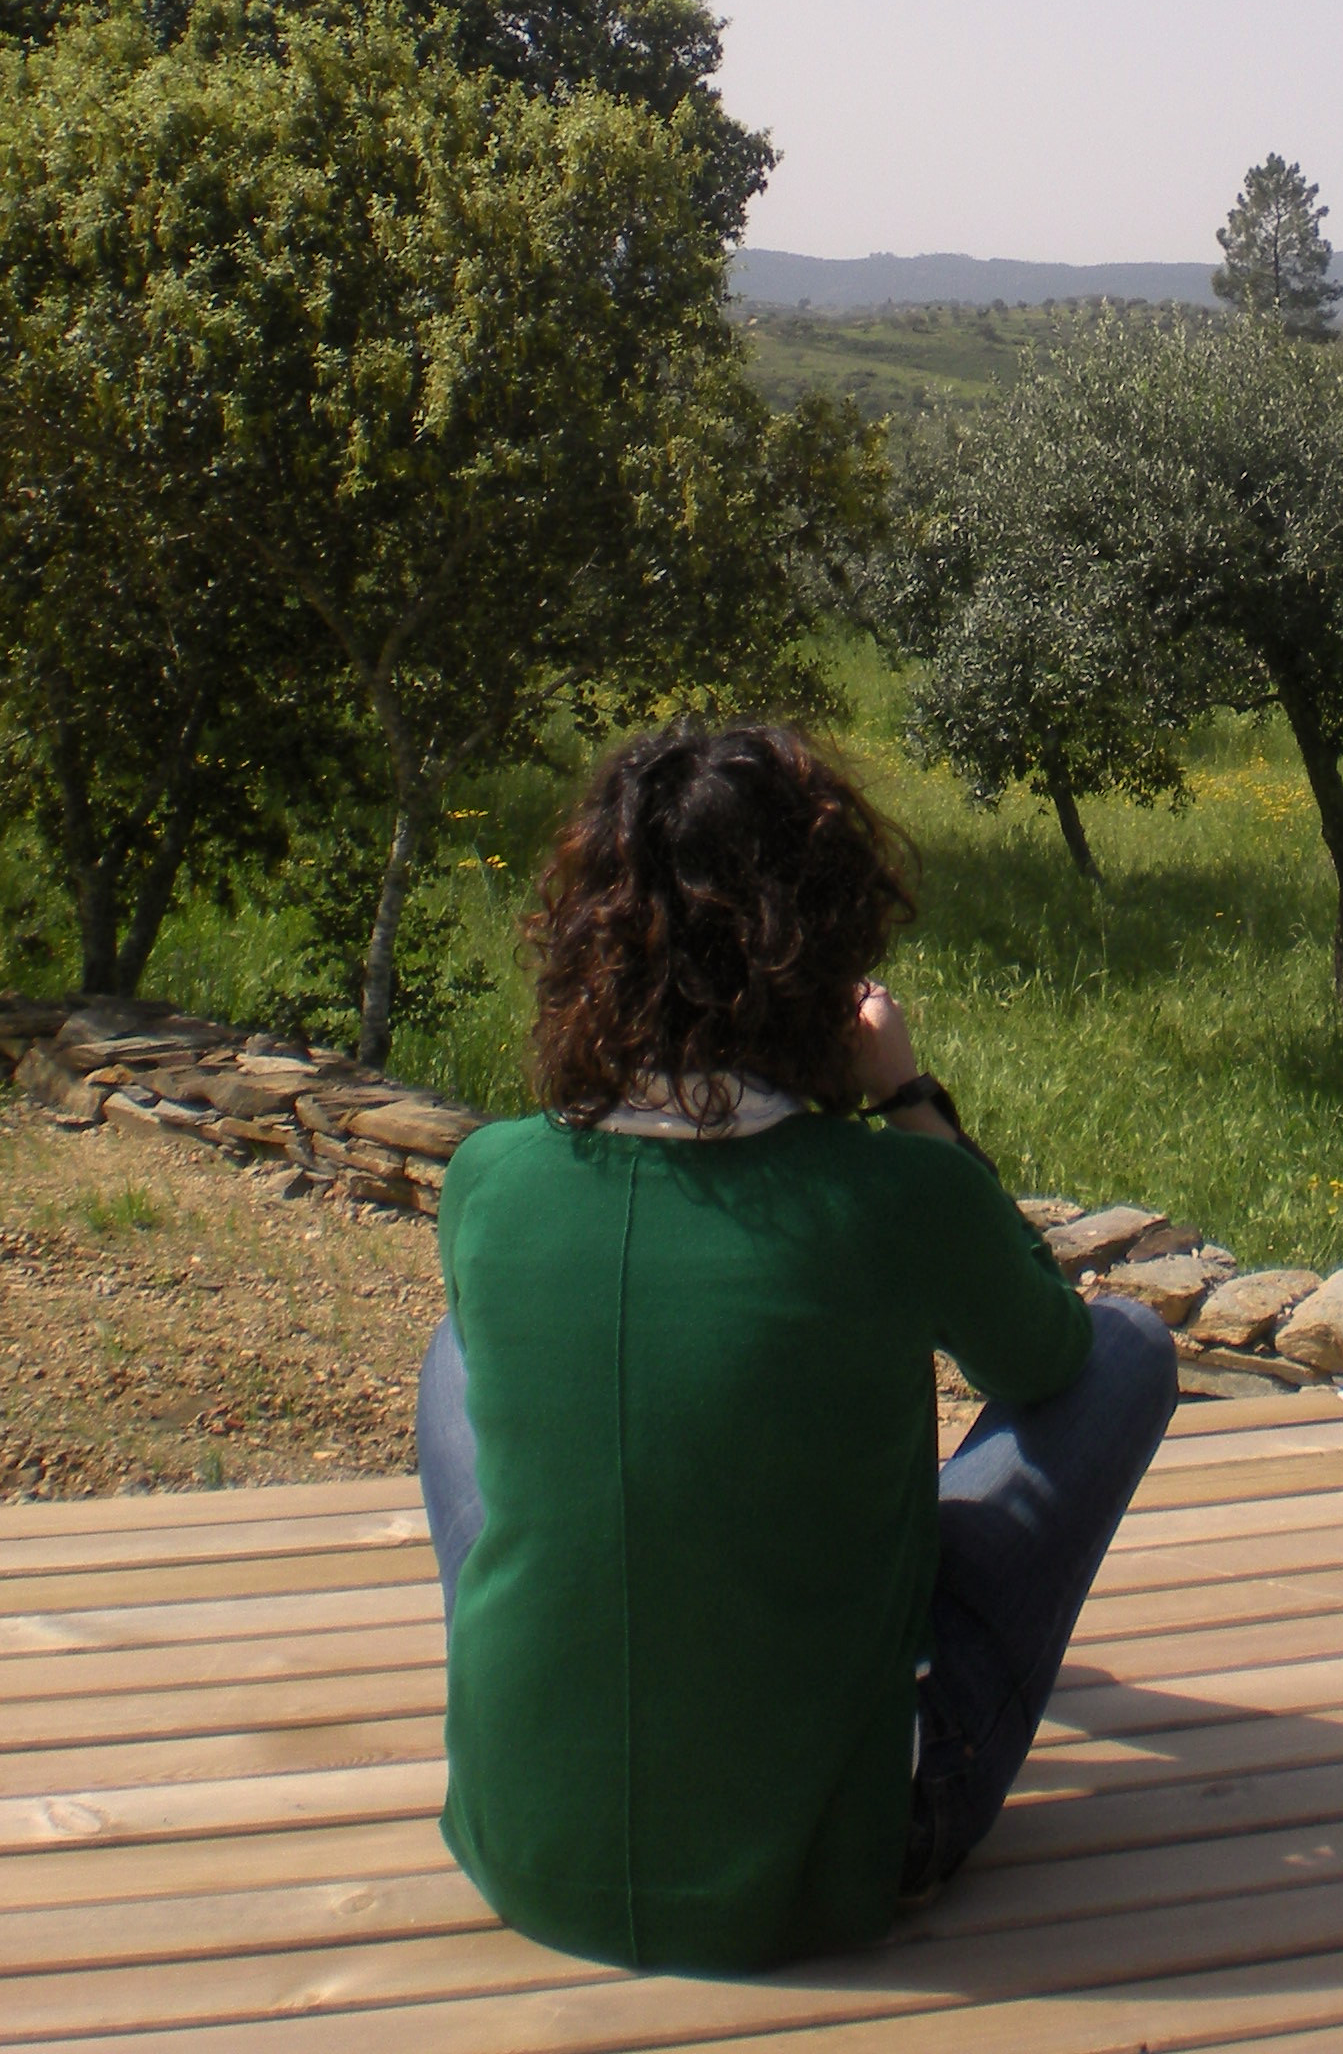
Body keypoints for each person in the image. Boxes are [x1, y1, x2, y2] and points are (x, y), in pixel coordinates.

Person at [413, 720, 1175, 1976]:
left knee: (462, 1350)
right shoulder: (887, 1195)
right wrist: (905, 1096)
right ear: (823, 946)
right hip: (828, 1863)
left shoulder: (492, 1178)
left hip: (521, 1842)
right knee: (1131, 1347)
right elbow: (1048, 1359)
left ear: (590, 940)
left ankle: (549, 1681)